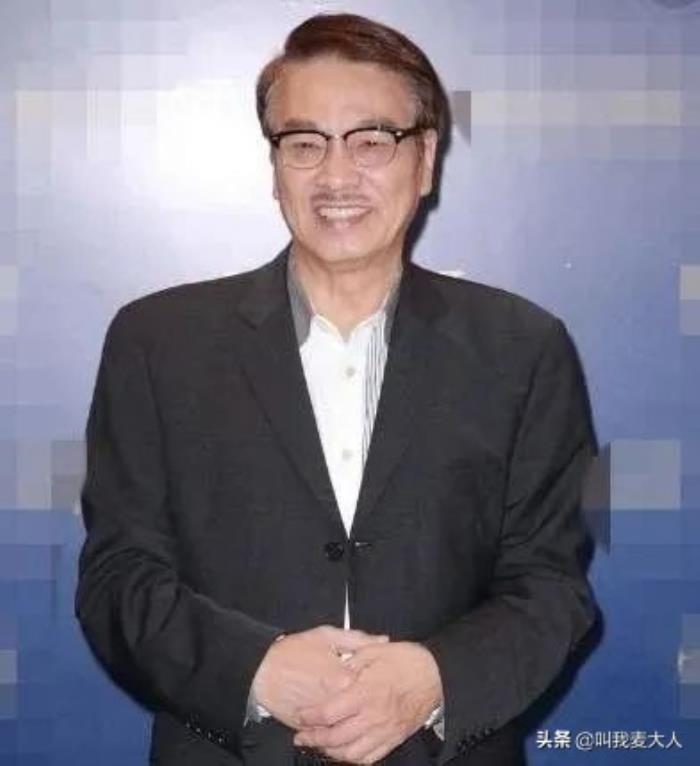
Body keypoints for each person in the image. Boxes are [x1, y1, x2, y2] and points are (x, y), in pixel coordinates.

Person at [76, 13, 597, 766]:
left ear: (425, 159)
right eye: (305, 143)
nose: (336, 176)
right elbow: (117, 578)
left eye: (372, 140)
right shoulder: (158, 343)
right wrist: (255, 670)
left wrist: (433, 680)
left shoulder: (522, 349)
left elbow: (550, 587)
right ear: (275, 165)